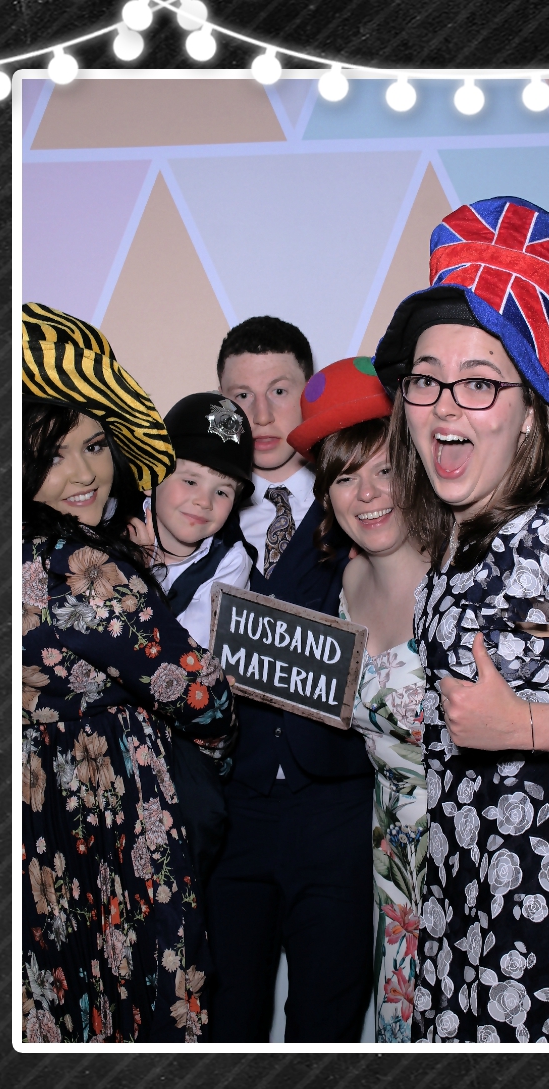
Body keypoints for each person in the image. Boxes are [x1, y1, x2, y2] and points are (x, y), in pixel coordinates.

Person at [372, 196, 549, 1043]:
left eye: (479, 382)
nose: (445, 406)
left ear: (531, 410)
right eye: (426, 379)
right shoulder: (460, 543)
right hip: (479, 896)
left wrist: (523, 725)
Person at [19, 304, 235, 1043]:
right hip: (112, 814)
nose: (83, 473)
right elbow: (198, 694)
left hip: (36, 816)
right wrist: (200, 759)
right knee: (144, 1006)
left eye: (94, 445)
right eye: (53, 455)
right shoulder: (78, 565)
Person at [207, 315, 378, 1042]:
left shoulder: (364, 504)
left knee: (327, 1027)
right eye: (240, 396)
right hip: (229, 808)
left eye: (280, 390)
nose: (262, 413)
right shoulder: (193, 510)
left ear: (307, 396)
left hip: (336, 808)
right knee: (224, 1022)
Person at [284, 356, 432, 1043]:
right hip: (394, 856)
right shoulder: (335, 584)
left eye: (385, 469)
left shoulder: (470, 570)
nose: (367, 493)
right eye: (345, 477)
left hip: (479, 840)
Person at [144, 391, 256, 646]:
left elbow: (187, 652)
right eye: (190, 481)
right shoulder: (112, 523)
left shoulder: (230, 561)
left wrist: (141, 580)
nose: (204, 502)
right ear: (152, 478)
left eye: (222, 492)